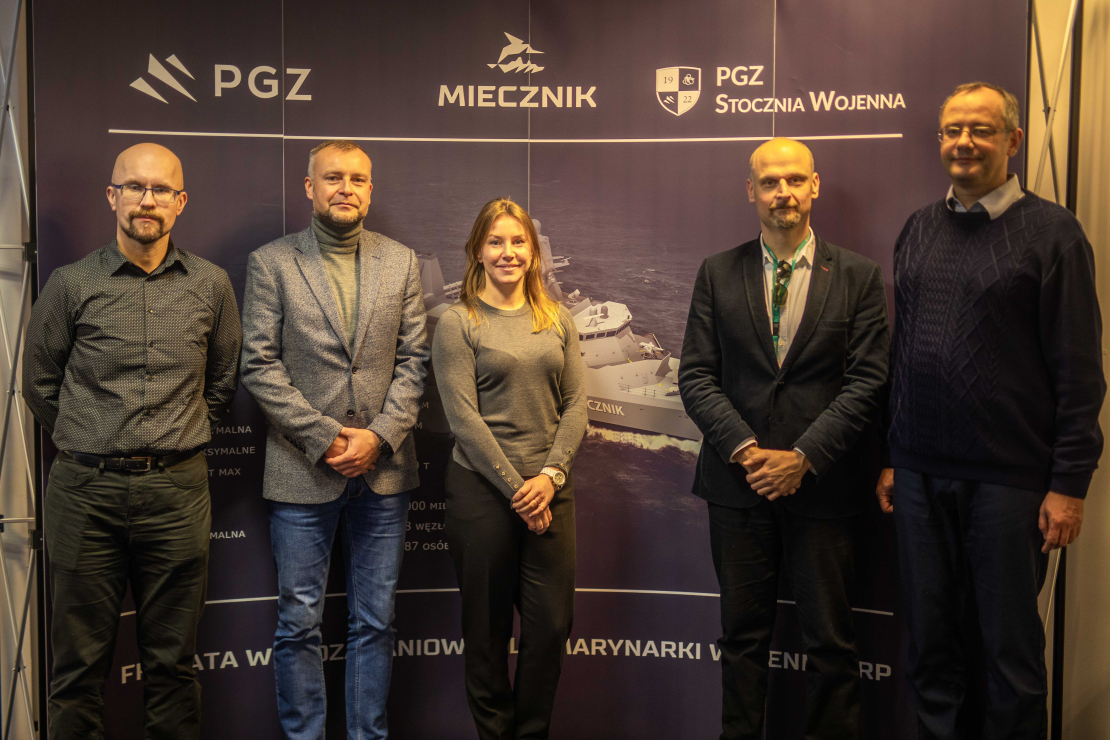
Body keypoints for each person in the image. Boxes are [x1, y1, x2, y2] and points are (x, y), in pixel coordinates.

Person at [876, 82, 1104, 739]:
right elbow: (903, 353)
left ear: (1014, 140)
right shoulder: (919, 228)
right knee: (931, 650)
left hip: (1010, 484)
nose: (964, 142)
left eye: (980, 129)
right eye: (953, 130)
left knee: (1010, 660)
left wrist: (1069, 485)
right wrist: (893, 456)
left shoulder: (1055, 234)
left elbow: (1080, 371)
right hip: (918, 477)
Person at [22, 143, 241, 739]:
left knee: (173, 666)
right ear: (112, 196)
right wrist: (92, 436)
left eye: (161, 189)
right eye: (135, 187)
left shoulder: (211, 285)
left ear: (181, 202)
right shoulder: (71, 284)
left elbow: (223, 382)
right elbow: (39, 384)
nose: (148, 200)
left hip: (177, 495)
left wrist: (175, 439)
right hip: (84, 495)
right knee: (77, 670)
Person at [679, 138, 889, 740]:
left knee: (830, 645)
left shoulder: (859, 277)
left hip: (824, 488)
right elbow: (696, 375)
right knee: (742, 641)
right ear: (752, 191)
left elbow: (869, 381)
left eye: (795, 180)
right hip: (738, 487)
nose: (783, 193)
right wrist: (747, 452)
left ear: (814, 186)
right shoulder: (717, 272)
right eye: (770, 182)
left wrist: (803, 457)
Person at [239, 140, 428, 740]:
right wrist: (325, 437)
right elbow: (258, 364)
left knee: (376, 622)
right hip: (301, 469)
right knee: (299, 624)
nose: (345, 188)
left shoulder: (401, 261)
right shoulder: (272, 262)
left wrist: (380, 437)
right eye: (333, 178)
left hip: (385, 472)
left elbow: (415, 361)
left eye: (357, 179)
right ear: (310, 187)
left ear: (370, 190)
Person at [432, 198, 587, 740]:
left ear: (534, 251)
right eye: (495, 242)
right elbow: (463, 420)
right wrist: (520, 490)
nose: (508, 252)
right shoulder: (458, 322)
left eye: (518, 242)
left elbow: (576, 406)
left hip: (550, 494)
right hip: (482, 495)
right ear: (477, 250)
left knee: (551, 629)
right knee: (486, 634)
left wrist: (550, 478)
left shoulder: (557, 318)